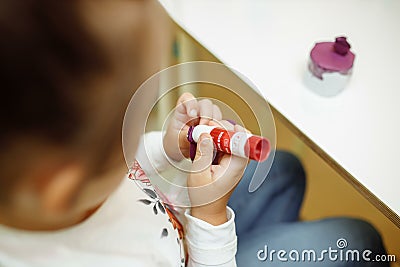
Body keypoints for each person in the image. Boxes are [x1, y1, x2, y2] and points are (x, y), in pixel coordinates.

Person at [0, 1, 389, 266]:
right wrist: (211, 215)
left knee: (284, 170)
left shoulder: (41, 171)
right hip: (202, 252)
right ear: (62, 185)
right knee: (357, 238)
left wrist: (167, 149)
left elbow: (128, 168)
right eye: (134, 124)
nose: (141, 133)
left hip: (177, 225)